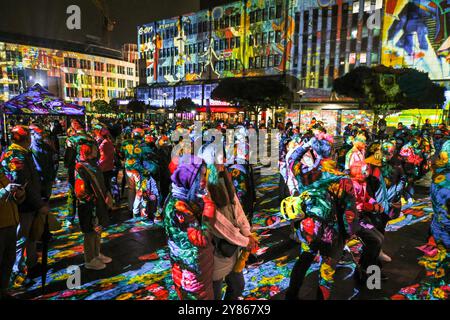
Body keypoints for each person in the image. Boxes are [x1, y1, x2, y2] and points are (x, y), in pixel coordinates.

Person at [0, 126, 50, 281]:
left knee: (30, 236)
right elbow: (21, 183)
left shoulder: (20, 153)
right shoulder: (17, 155)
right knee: (21, 238)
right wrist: (39, 204)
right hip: (23, 206)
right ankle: (19, 270)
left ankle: (31, 264)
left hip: (28, 203)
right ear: (26, 139)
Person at [164, 155, 216, 300]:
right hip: (192, 272)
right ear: (188, 179)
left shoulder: (182, 196)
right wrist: (209, 206)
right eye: (201, 177)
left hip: (194, 268)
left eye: (205, 175)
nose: (204, 181)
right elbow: (202, 239)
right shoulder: (179, 207)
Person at [74, 141, 112, 270]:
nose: (97, 151)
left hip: (98, 203)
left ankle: (96, 253)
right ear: (87, 151)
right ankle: (89, 259)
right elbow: (80, 191)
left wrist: (107, 194)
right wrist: (92, 201)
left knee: (97, 230)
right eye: (95, 149)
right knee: (90, 232)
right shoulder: (80, 167)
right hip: (89, 205)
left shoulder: (93, 165)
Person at [0, 165, 25, 300]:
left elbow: (10, 197)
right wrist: (5, 191)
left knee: (8, 260)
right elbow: (3, 192)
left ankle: (3, 292)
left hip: (10, 222)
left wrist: (18, 195)